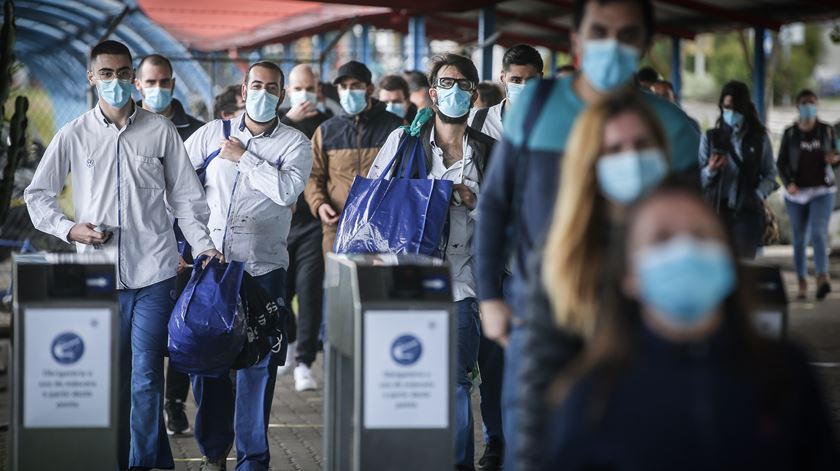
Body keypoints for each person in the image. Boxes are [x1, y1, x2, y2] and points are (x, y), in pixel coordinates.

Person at [473, 1, 701, 470]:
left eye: (626, 34)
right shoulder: (534, 107)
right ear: (575, 41)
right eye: (598, 32)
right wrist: (490, 299)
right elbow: (494, 204)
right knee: (534, 447)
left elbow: (689, 231)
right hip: (542, 306)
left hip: (639, 315)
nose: (611, 46)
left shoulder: (675, 128)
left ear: (645, 44)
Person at [541, 184, 839, 470]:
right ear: (628, 275)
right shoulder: (591, 398)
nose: (685, 249)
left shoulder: (787, 372)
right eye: (662, 238)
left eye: (701, 236)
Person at [24, 40, 222, 471]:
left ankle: (140, 463)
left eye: (123, 73)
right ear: (92, 77)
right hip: (96, 278)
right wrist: (69, 228)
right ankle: (126, 458)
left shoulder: (160, 131)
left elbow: (187, 200)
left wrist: (204, 246)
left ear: (134, 78)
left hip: (153, 273)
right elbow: (37, 195)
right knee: (109, 379)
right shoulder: (74, 134)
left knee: (146, 377)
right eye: (106, 73)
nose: (116, 81)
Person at [522, 91, 672, 470]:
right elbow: (541, 385)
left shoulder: (692, 236)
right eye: (614, 149)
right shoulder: (562, 256)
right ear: (589, 163)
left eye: (641, 145)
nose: (632, 159)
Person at [367, 53, 497, 471]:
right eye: (446, 83)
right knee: (405, 379)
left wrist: (474, 202)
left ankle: (457, 463)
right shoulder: (404, 141)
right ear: (432, 91)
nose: (454, 91)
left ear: (474, 94)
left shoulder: (490, 153)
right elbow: (374, 200)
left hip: (462, 279)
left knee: (456, 381)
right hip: (405, 273)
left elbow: (508, 219)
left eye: (462, 85)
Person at [184, 60, 313, 471]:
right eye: (256, 85)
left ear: (282, 95)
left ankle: (253, 459)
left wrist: (244, 158)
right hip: (212, 269)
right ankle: (213, 450)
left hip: (263, 269)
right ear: (243, 89)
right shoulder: (210, 134)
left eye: (272, 87)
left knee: (257, 366)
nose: (263, 92)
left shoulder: (295, 144)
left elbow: (286, 192)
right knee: (207, 364)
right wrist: (192, 245)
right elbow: (180, 190)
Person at [134, 52, 205, 437]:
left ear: (173, 84)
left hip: (183, 244)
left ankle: (174, 403)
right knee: (144, 337)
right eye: (151, 82)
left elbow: (196, 197)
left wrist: (188, 248)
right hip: (137, 247)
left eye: (165, 82)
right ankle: (141, 411)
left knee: (181, 327)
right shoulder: (122, 129)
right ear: (137, 84)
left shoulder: (195, 129)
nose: (158, 89)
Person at [304, 61, 403, 255]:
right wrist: (320, 204)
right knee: (339, 283)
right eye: (343, 87)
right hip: (338, 226)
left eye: (356, 86)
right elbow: (313, 175)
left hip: (383, 227)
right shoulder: (326, 131)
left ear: (370, 88)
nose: (349, 91)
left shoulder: (395, 127)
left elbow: (406, 174)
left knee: (379, 283)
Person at [276, 64, 333, 391]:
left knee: (309, 291)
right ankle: (292, 341)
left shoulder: (327, 124)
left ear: (318, 89)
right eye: (297, 87)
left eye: (308, 87)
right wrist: (289, 121)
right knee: (281, 291)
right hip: (280, 223)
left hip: (313, 222)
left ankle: (304, 363)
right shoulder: (276, 122)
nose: (303, 94)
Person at [699, 80, 778, 259]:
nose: (730, 113)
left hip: (747, 213)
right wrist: (711, 169)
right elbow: (699, 179)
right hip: (717, 211)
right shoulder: (711, 138)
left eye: (734, 108)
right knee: (718, 266)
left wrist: (757, 195)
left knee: (743, 268)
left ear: (744, 108)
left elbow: (771, 174)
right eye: (726, 107)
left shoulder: (759, 138)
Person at [777, 89, 840, 300]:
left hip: (822, 189)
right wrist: (788, 183)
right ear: (798, 106)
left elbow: (837, 154)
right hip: (796, 193)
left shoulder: (827, 131)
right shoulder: (790, 134)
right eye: (804, 102)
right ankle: (802, 280)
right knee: (799, 238)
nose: (809, 106)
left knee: (818, 232)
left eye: (812, 102)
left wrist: (835, 159)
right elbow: (781, 163)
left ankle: (822, 277)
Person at [469, 44, 544, 141]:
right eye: (516, 80)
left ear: (541, 78)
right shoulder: (477, 121)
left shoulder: (553, 123)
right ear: (502, 78)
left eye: (531, 80)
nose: (524, 86)